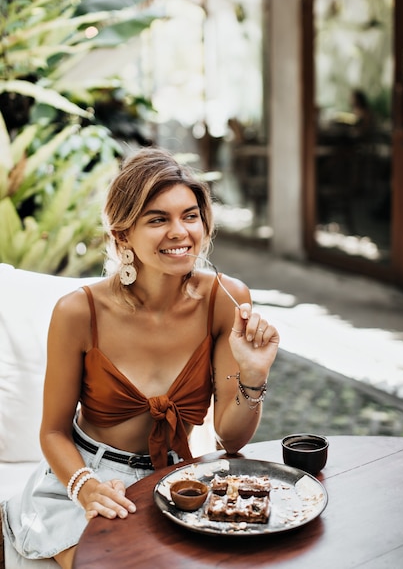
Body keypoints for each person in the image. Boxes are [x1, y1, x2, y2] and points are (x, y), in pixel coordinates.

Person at [1, 148, 279, 568]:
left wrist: (253, 375)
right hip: (90, 484)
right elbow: (53, 432)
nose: (180, 232)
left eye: (190, 216)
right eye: (157, 219)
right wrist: (86, 488)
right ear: (122, 234)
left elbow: (231, 439)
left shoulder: (225, 299)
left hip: (177, 479)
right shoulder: (78, 312)